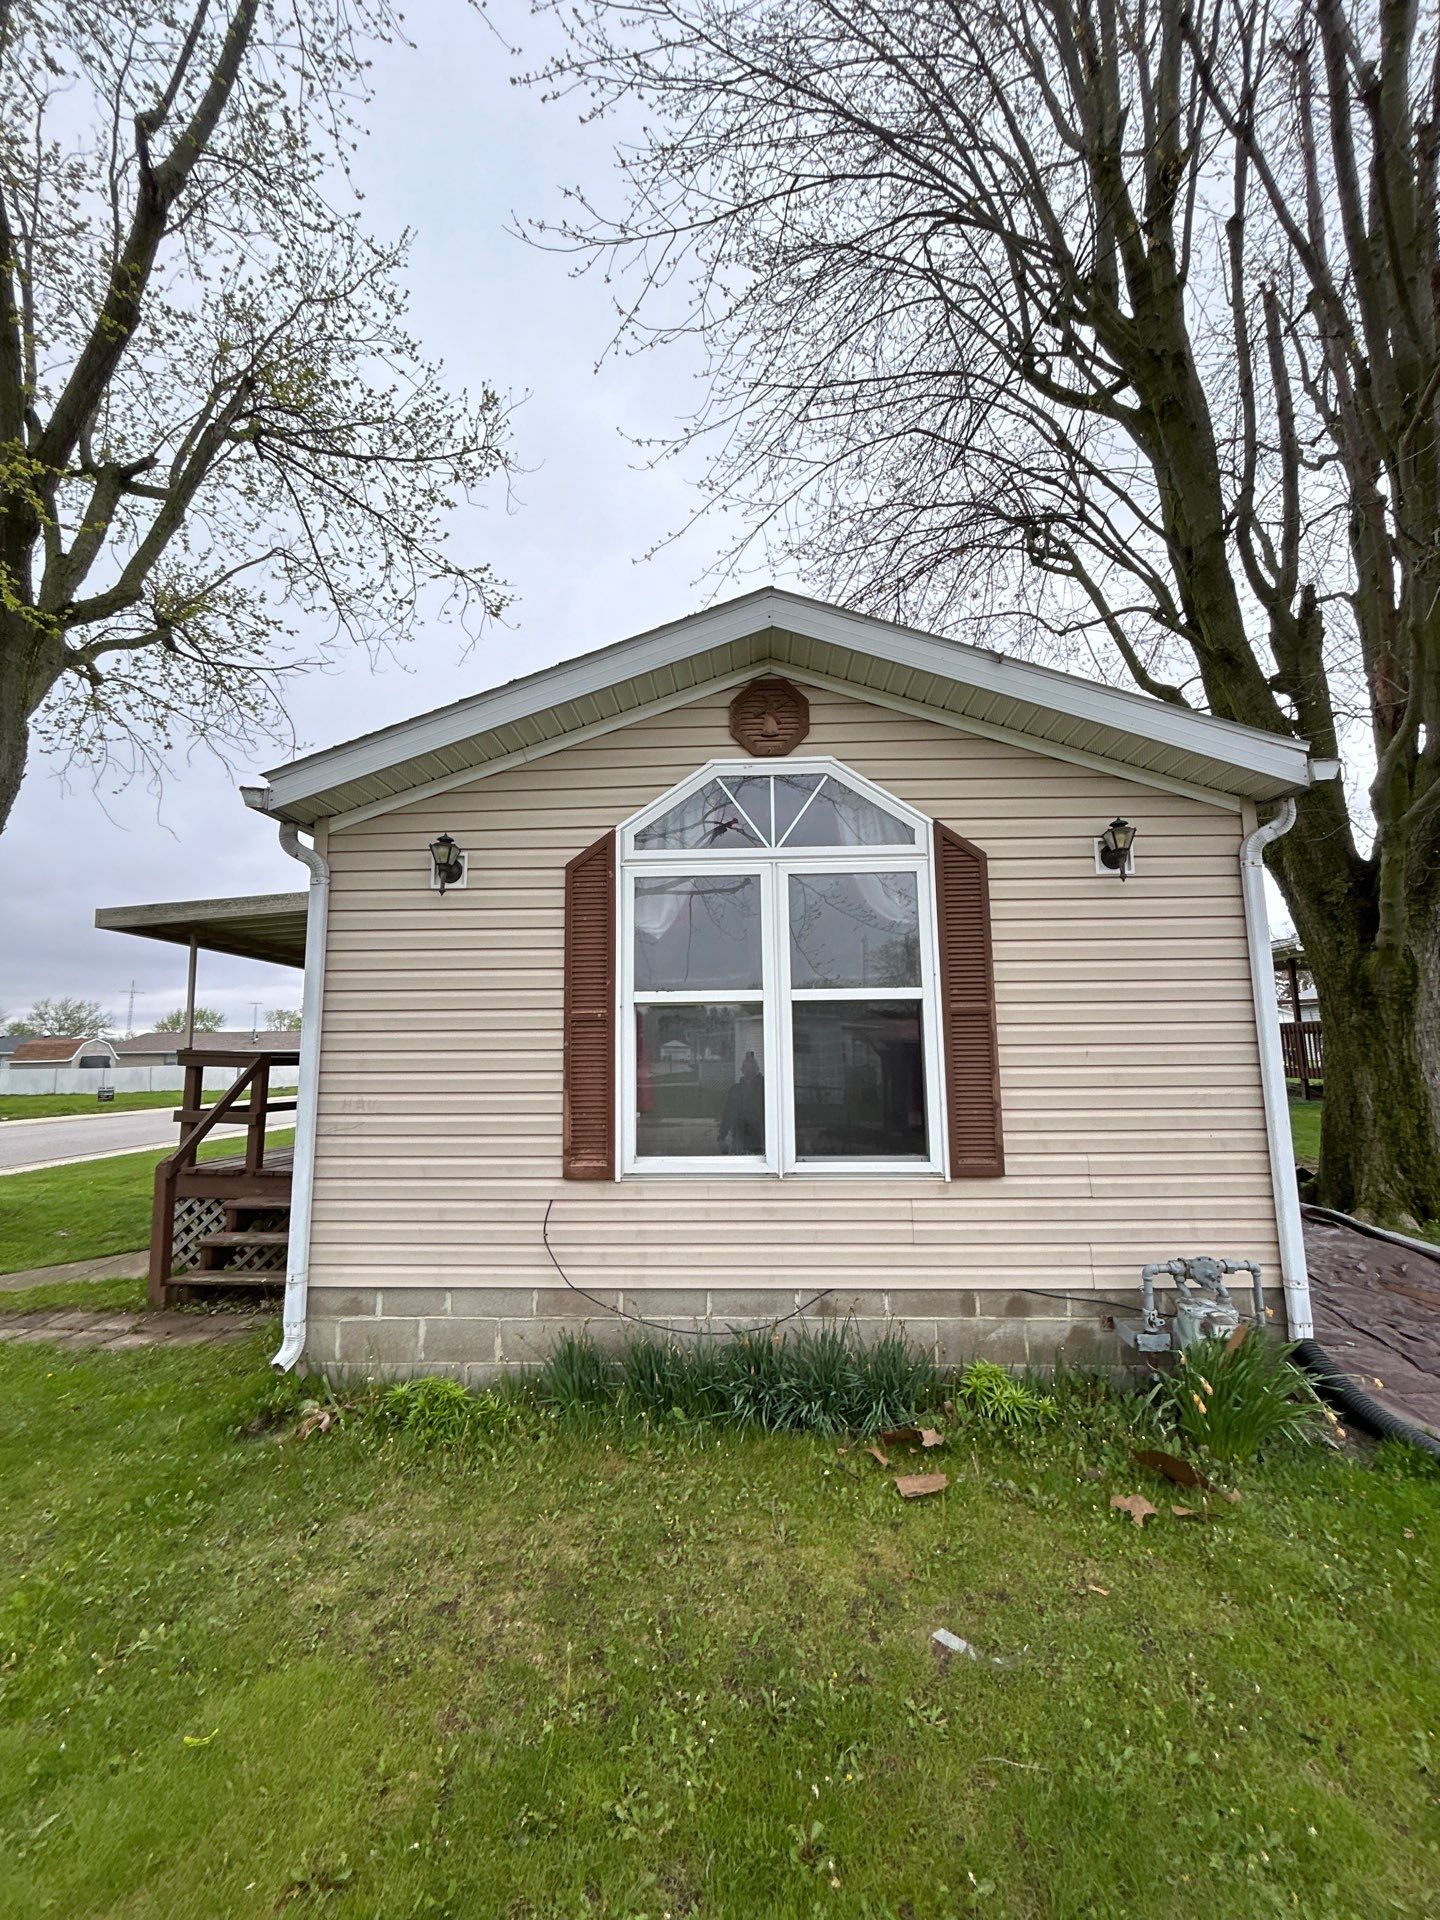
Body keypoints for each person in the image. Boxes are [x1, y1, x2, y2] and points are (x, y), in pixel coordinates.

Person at [718, 1049, 764, 1153]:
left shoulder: (765, 1088)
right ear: (742, 1069)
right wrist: (722, 1137)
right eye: (746, 1064)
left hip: (761, 1140)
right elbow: (728, 1114)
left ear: (757, 1067)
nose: (749, 1067)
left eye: (752, 1063)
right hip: (740, 1139)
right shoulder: (735, 1090)